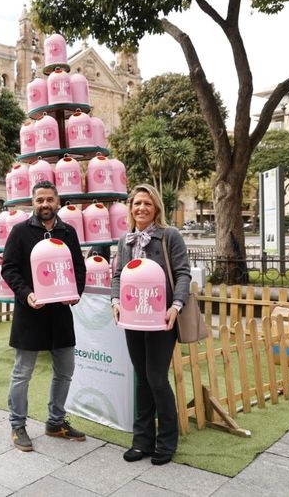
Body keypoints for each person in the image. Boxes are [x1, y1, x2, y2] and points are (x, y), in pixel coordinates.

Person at [0, 180, 87, 452]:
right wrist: (27, 294)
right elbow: (9, 269)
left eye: (49, 199)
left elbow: (78, 268)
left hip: (60, 313)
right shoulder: (20, 232)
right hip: (31, 312)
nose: (45, 204)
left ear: (57, 201)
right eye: (40, 200)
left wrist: (76, 293)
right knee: (22, 373)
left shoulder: (68, 232)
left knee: (65, 371)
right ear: (33, 203)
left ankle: (55, 422)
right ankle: (17, 425)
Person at [111, 184, 191, 466]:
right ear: (130, 208)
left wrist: (176, 306)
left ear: (156, 207)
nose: (141, 208)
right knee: (141, 378)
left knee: (157, 378)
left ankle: (167, 442)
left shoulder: (169, 236)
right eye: (136, 203)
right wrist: (115, 302)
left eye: (147, 203)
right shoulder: (126, 241)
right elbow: (118, 275)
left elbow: (182, 273)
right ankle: (141, 440)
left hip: (161, 320)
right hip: (133, 318)